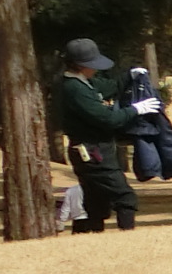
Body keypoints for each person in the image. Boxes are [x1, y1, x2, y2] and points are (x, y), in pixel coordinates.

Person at [53, 39, 148, 233]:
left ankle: (92, 237)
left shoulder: (83, 82)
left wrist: (129, 76)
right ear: (80, 65)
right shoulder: (74, 88)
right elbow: (107, 119)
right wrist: (135, 110)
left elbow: (108, 87)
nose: (95, 69)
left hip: (90, 151)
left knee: (96, 202)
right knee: (125, 197)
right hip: (93, 152)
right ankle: (128, 236)